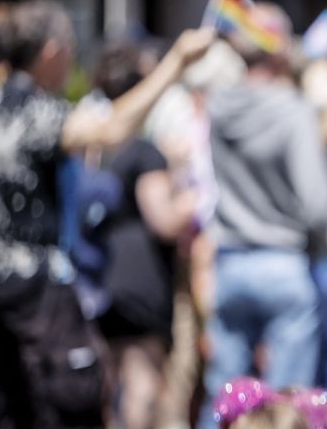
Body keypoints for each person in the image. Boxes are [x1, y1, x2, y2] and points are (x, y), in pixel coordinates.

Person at [0, 0, 213, 429]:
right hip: (38, 297)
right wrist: (176, 61)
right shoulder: (39, 112)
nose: (72, 58)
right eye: (69, 47)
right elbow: (113, 128)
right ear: (50, 52)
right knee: (69, 405)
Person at [198, 2, 327, 429]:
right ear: (279, 50)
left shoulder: (218, 106)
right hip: (285, 264)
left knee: (224, 400)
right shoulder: (291, 110)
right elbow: (318, 202)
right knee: (287, 405)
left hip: (230, 263)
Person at [92, 40, 199, 429]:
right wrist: (190, 198)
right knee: (141, 381)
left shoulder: (95, 148)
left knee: (109, 382)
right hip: (140, 278)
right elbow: (163, 220)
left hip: (101, 271)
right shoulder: (144, 151)